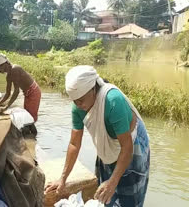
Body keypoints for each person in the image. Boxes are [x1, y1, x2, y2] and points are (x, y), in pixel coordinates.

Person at [44, 65, 150, 207]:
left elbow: (126, 147)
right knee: (104, 197)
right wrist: (62, 179)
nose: (78, 104)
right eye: (75, 100)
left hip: (131, 142)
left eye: (81, 100)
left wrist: (113, 182)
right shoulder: (78, 107)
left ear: (93, 89)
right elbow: (74, 144)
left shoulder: (113, 101)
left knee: (129, 198)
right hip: (108, 145)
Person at [0, 53, 41, 123]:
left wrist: (6, 106)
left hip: (33, 91)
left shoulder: (15, 69)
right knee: (27, 114)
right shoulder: (8, 77)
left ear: (4, 64)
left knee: (31, 116)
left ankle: (33, 132)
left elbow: (16, 92)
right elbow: (7, 93)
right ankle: (28, 130)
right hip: (27, 93)